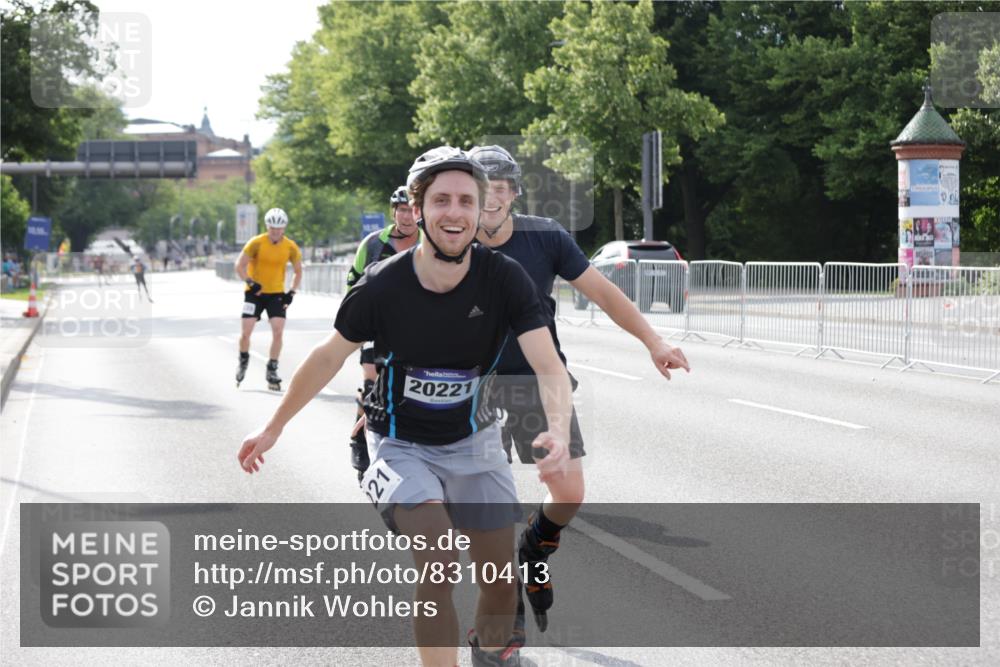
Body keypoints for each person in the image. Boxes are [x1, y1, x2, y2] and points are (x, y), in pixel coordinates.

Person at [238, 147, 573, 667]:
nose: (455, 212)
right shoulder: (383, 285)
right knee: (438, 558)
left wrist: (556, 430)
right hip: (399, 443)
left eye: (466, 200)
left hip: (475, 439)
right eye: (441, 200)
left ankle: (487, 651)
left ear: (481, 207)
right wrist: (273, 426)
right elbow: (328, 357)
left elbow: (548, 364)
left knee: (500, 585)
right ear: (417, 210)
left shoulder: (504, 278)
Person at [469, 144, 691, 631]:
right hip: (470, 383)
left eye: (499, 190)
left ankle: (534, 548)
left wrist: (653, 340)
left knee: (567, 492)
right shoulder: (450, 239)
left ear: (514, 194)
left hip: (536, 378)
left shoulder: (544, 237)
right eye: (480, 190)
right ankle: (503, 607)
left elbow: (605, 293)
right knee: (482, 507)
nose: (489, 201)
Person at [345, 185, 419, 482]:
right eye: (400, 210)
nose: (406, 216)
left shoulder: (431, 240)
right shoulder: (374, 243)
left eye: (410, 209)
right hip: (377, 326)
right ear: (393, 212)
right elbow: (353, 282)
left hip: (418, 327)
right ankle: (359, 439)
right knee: (371, 382)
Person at [233, 207, 303, 390]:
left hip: (276, 294)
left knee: (278, 331)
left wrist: (291, 293)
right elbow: (239, 265)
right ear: (267, 227)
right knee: (246, 332)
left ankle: (272, 368)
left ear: (284, 228)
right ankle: (243, 359)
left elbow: (298, 271)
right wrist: (250, 281)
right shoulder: (256, 243)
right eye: (272, 228)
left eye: (279, 229)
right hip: (254, 293)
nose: (275, 232)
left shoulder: (290, 246)